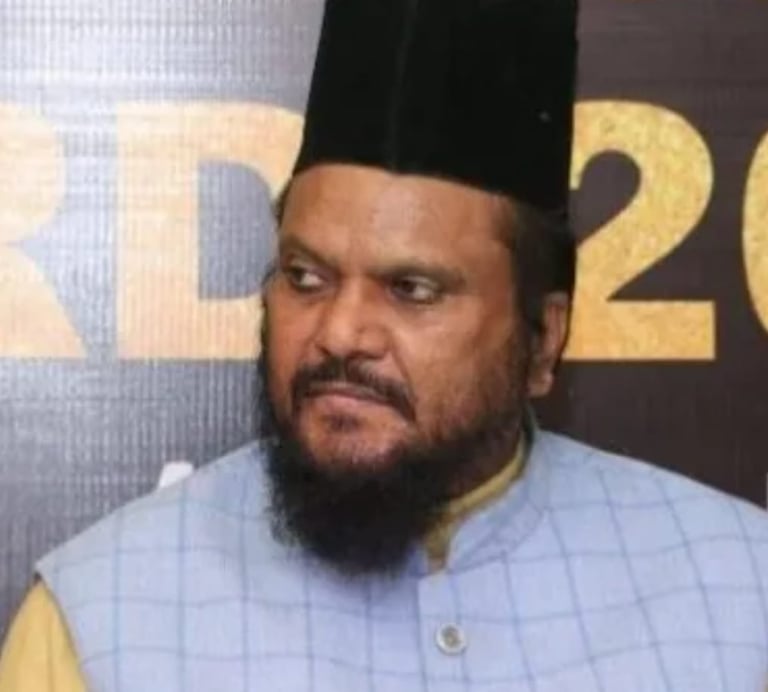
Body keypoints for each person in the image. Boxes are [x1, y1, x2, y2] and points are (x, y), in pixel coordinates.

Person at [2, 0, 768, 690]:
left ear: (542, 340)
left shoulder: (741, 594)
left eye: (412, 290)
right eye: (306, 277)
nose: (339, 332)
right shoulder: (103, 622)